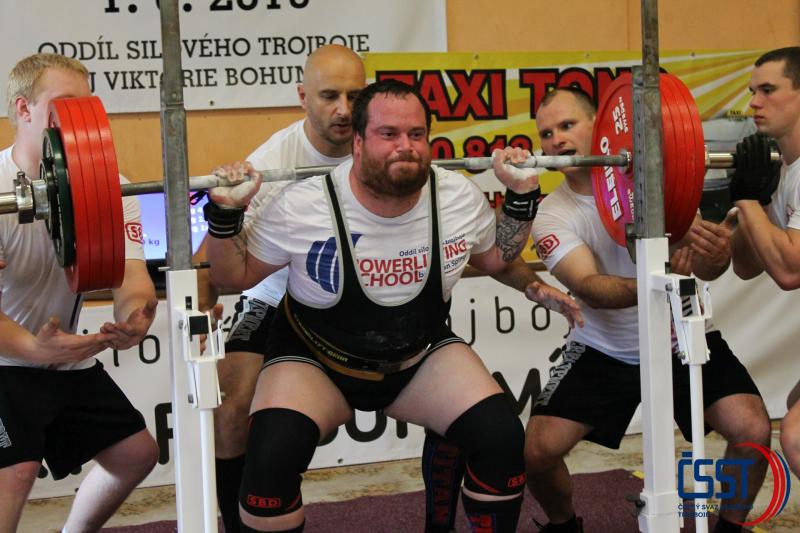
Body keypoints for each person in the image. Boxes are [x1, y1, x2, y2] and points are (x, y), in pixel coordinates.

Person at [205, 79, 583, 533]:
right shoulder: (304, 205)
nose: (406, 146)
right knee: (269, 462)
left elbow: (497, 258)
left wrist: (521, 199)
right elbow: (231, 277)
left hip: (417, 357)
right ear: (358, 142)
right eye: (389, 134)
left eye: (416, 134)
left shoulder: (456, 196)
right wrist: (225, 217)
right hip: (316, 362)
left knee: (501, 437)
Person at [198, 45, 471, 533]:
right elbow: (212, 256)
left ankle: (440, 525)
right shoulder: (274, 160)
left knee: (464, 406)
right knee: (230, 411)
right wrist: (199, 318)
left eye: (354, 96)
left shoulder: (391, 144)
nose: (344, 109)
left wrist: (531, 281)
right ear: (303, 97)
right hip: (277, 292)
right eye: (329, 96)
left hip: (380, 292)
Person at [526, 87, 771, 533]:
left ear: (600, 128)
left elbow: (708, 268)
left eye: (567, 125)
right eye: (546, 133)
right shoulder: (552, 214)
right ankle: (563, 526)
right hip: (605, 348)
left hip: (680, 338)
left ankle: (730, 528)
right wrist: (662, 280)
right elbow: (590, 288)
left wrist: (714, 256)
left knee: (752, 430)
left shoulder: (659, 187)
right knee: (537, 453)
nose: (556, 139)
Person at [0, 53, 159, 532]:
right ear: (24, 109)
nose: (78, 119)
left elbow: (130, 276)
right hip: (5, 359)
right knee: (15, 471)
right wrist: (34, 348)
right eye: (65, 105)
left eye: (86, 106)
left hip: (61, 357)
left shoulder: (111, 188)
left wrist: (134, 318)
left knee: (135, 454)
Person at [728, 47, 800, 477]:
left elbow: (790, 271)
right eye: (753, 91)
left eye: (768, 90)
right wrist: (753, 199)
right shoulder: (787, 171)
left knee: (797, 435)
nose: (754, 102)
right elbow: (747, 265)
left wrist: (745, 199)